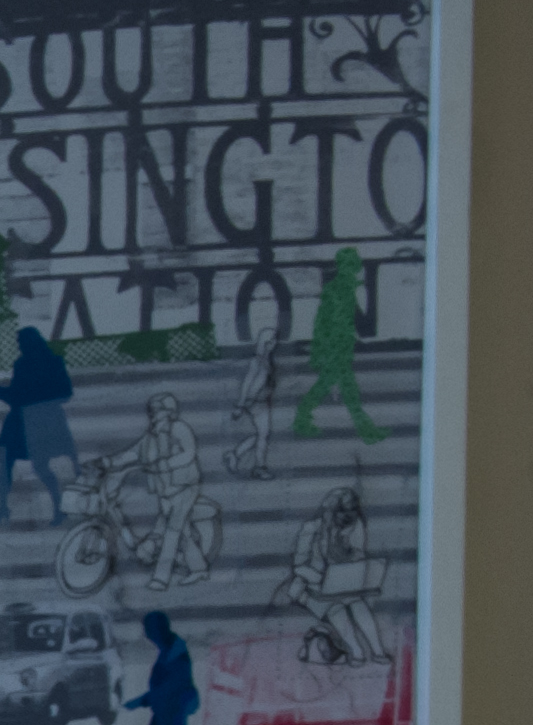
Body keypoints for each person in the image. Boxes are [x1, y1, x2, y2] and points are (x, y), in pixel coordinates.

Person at [123, 608, 231, 725]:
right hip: (166, 709)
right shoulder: (170, 648)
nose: (146, 635)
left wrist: (141, 700)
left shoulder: (175, 653)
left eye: (148, 630)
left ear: (158, 630)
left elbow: (169, 688)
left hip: (171, 711)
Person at [283, 484, 388, 664]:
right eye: (342, 515)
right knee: (335, 607)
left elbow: (358, 558)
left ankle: (378, 651)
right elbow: (299, 566)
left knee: (357, 603)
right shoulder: (311, 529)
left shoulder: (355, 526)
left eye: (351, 515)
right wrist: (320, 578)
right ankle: (356, 651)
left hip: (343, 584)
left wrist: (349, 544)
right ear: (330, 512)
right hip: (311, 585)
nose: (346, 520)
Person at [0, 324, 75, 523]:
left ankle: (7, 509)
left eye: (22, 343)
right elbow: (64, 393)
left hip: (30, 422)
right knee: (25, 465)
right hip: (35, 421)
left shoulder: (28, 365)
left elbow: (17, 396)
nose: (20, 347)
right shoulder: (48, 362)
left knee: (22, 465)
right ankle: (9, 509)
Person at [293, 246, 385, 444]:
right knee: (347, 391)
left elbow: (336, 320)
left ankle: (302, 419)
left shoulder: (342, 288)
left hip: (339, 348)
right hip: (336, 349)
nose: (354, 268)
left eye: (353, 264)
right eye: (351, 264)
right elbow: (326, 322)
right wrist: (323, 350)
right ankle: (367, 432)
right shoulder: (338, 290)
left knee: (331, 387)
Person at [126, 392, 215, 588]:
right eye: (151, 410)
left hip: (185, 488)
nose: (152, 414)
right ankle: (199, 569)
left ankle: (160, 579)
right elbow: (133, 453)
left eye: (157, 410)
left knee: (172, 532)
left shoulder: (179, 428)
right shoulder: (151, 436)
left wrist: (165, 464)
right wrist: (107, 462)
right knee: (183, 533)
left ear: (169, 411)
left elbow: (189, 453)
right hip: (166, 492)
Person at [226, 321, 282, 480]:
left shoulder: (266, 361)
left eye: (274, 340)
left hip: (261, 403)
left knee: (262, 435)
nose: (274, 343)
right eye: (271, 340)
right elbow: (247, 384)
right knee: (263, 435)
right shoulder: (257, 361)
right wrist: (240, 405)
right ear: (265, 342)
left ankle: (236, 455)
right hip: (255, 403)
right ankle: (259, 467)